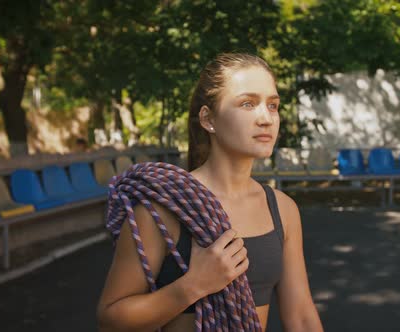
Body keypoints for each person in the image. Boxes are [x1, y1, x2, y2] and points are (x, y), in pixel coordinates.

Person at [96, 53, 325, 331]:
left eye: (273, 105)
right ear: (208, 119)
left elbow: (300, 316)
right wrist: (194, 285)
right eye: (247, 103)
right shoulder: (163, 208)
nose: (266, 118)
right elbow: (110, 321)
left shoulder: (283, 209)